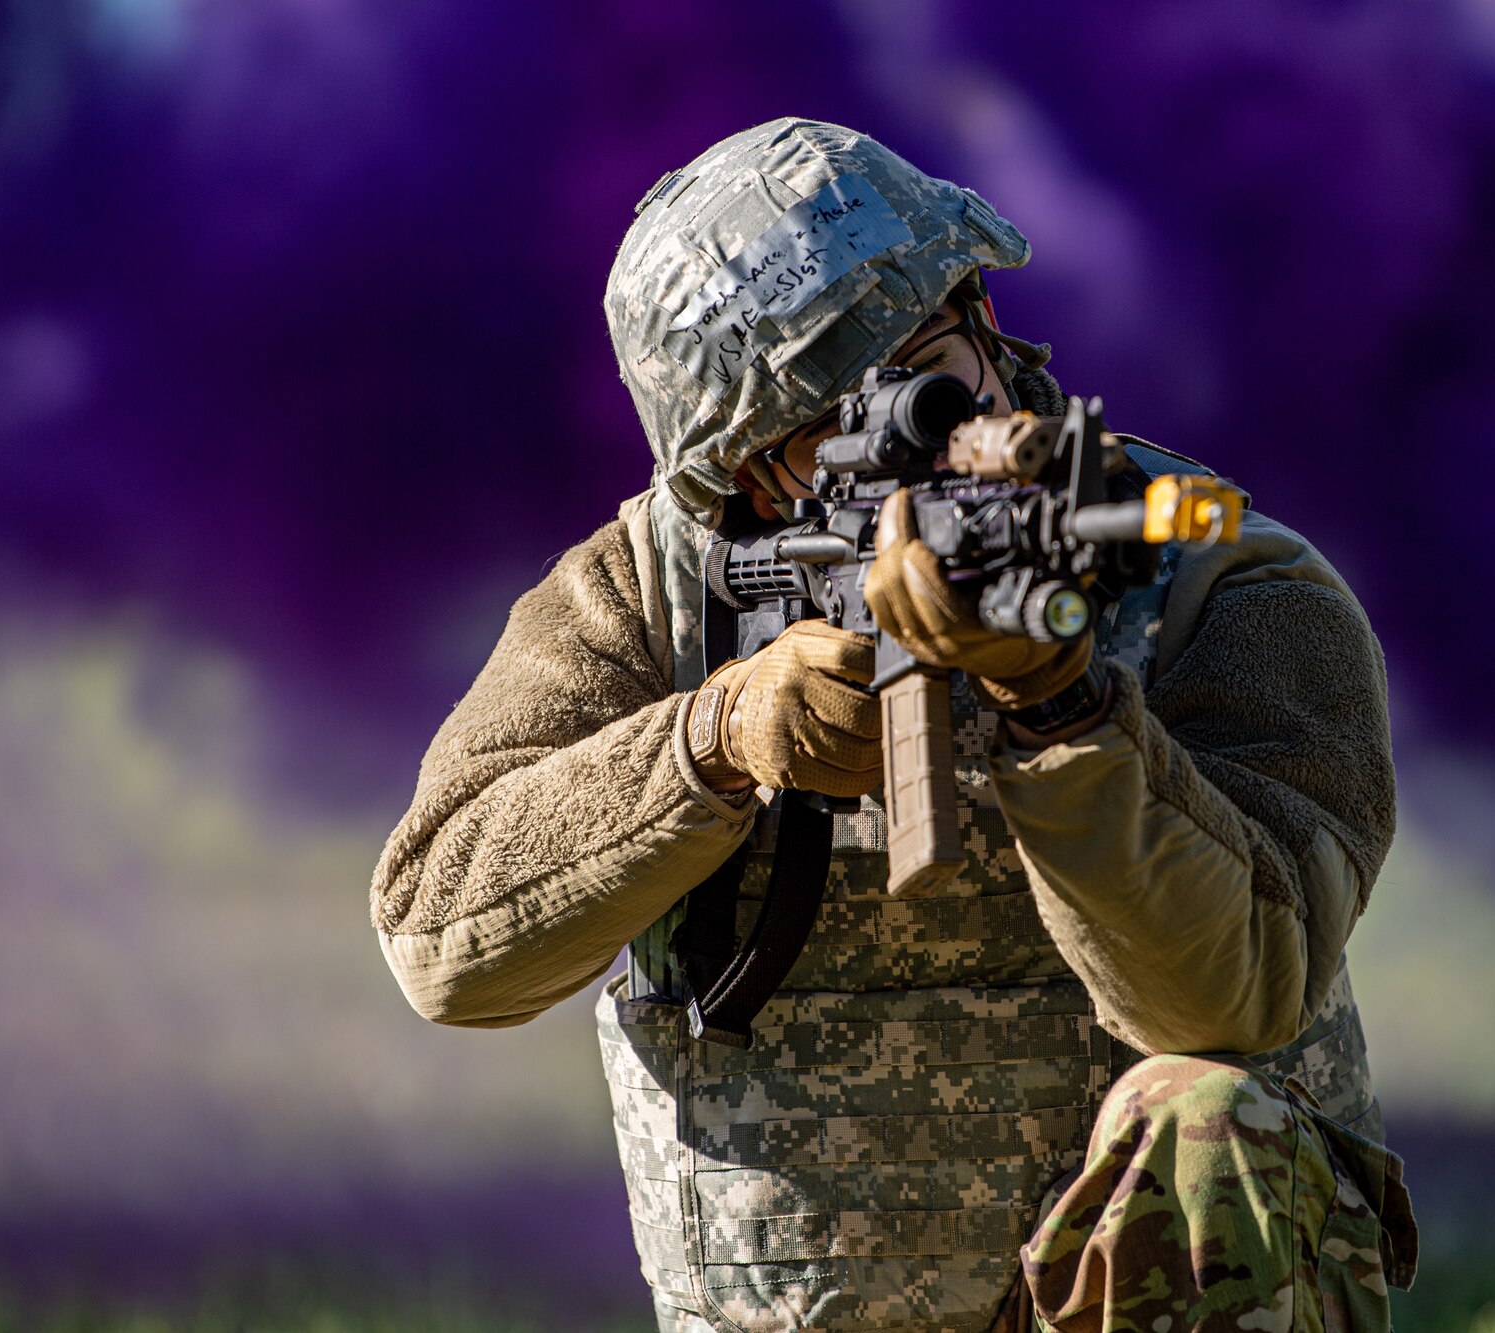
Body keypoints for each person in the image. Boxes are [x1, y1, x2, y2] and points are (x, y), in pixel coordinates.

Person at [371, 118, 1416, 1333]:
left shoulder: (1217, 585)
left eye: (930, 372)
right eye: (826, 419)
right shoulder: (643, 601)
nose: (918, 452)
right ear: (751, 479)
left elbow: (1231, 996)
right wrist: (710, 740)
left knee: (1205, 1117)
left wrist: (1061, 709)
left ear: (980, 323)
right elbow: (441, 940)